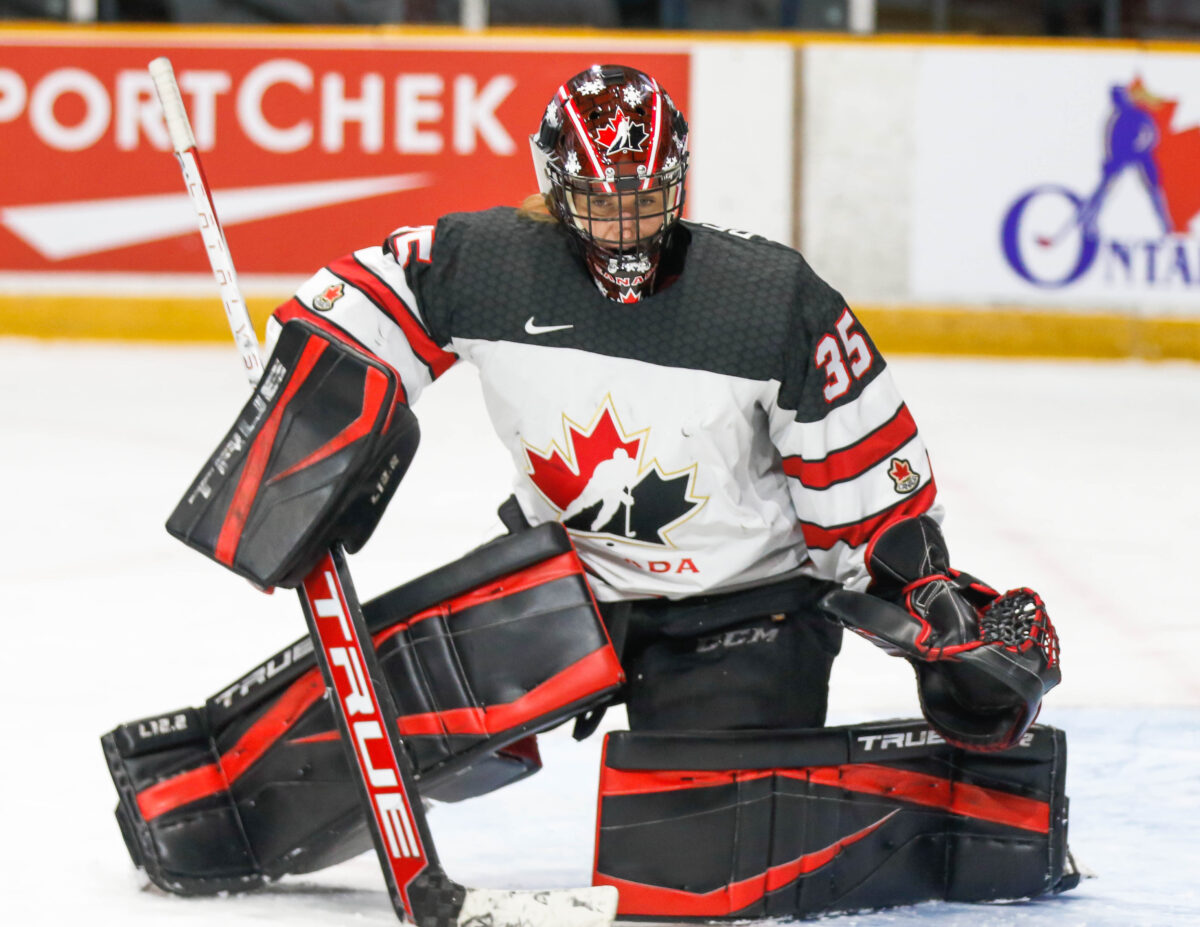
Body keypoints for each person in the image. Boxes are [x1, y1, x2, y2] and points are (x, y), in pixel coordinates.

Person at [102, 64, 1071, 919]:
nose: (624, 225)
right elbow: (366, 295)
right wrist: (314, 409)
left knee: (697, 867)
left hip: (748, 606)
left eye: (645, 198)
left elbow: (865, 484)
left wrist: (926, 603)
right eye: (600, 201)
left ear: (678, 181)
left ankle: (959, 814)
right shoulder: (486, 262)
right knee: (391, 707)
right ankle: (200, 804)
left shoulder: (766, 298)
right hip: (565, 581)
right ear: (552, 185)